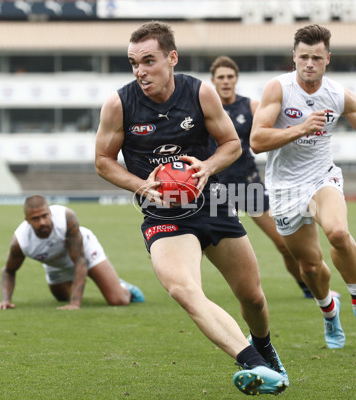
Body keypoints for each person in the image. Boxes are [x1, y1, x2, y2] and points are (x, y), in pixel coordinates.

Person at [94, 22, 287, 395]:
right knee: (183, 289)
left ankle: (263, 346)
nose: (140, 71)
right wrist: (142, 185)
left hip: (212, 203)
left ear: (172, 58)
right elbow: (103, 160)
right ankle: (255, 364)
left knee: (252, 296)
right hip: (164, 217)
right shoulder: (120, 103)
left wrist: (207, 167)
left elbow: (231, 143)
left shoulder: (200, 93)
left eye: (148, 61)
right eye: (133, 62)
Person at [250, 24, 356, 349]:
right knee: (309, 265)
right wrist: (300, 128)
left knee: (338, 232)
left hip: (322, 177)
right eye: (304, 56)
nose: (309, 63)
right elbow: (256, 140)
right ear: (294, 57)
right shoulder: (278, 89)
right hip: (284, 188)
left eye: (316, 58)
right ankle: (328, 310)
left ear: (327, 60)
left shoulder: (339, 95)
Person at [209, 55, 312, 299]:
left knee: (284, 244)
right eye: (220, 77)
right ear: (212, 80)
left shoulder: (252, 106)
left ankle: (309, 287)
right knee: (201, 245)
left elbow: (272, 132)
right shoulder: (205, 108)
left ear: (236, 79)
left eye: (230, 77)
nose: (225, 81)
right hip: (216, 189)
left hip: (248, 186)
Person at [0, 195, 145, 310]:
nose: (42, 222)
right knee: (61, 298)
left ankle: (124, 288)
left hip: (84, 251)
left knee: (118, 300)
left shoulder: (66, 218)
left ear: (50, 213)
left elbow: (80, 260)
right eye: (36, 219)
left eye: (45, 216)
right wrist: (5, 300)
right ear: (27, 220)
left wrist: (75, 303)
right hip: (54, 263)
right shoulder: (21, 241)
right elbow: (9, 270)